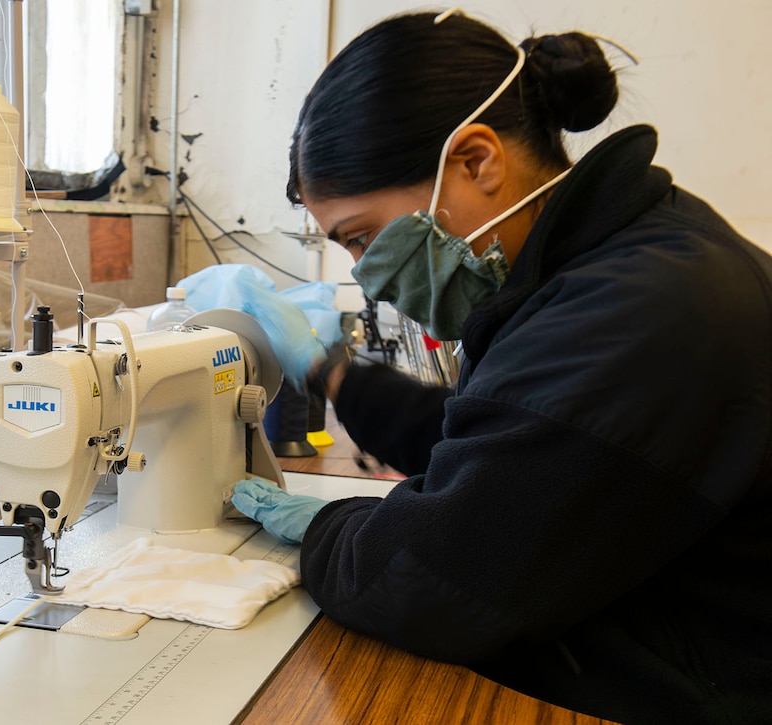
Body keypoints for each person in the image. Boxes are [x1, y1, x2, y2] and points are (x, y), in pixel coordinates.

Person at [231, 9, 772, 724]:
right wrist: (328, 369)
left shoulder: (635, 307)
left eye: (361, 238)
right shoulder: (615, 259)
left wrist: (326, 531)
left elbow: (432, 584)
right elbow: (513, 439)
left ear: (477, 161)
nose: (366, 274)